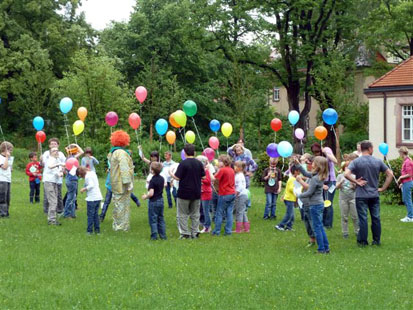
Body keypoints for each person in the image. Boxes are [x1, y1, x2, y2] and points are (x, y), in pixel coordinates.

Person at [345, 140, 393, 246]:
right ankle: (376, 240)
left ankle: (362, 241)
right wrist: (383, 188)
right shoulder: (378, 161)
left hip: (361, 195)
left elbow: (346, 174)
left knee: (363, 218)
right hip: (374, 194)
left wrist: (356, 182)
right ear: (370, 149)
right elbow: (390, 174)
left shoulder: (356, 162)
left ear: (361, 149)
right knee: (376, 217)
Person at [170, 144, 205, 239]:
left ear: (184, 153)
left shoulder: (183, 163)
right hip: (196, 191)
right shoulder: (199, 163)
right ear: (194, 152)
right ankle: (195, 232)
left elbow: (177, 177)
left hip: (184, 192)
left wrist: (171, 174)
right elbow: (204, 176)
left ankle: (185, 233)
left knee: (182, 214)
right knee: (195, 213)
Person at [297, 156, 330, 254]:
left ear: (317, 165)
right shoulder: (318, 175)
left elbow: (309, 193)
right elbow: (306, 173)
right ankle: (326, 247)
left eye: (314, 162)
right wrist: (297, 164)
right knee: (320, 226)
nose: (312, 163)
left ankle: (321, 249)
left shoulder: (315, 179)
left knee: (317, 228)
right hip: (319, 204)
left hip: (315, 205)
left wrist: (299, 195)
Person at [99, 153, 140, 222]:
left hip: (119, 186)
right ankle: (102, 216)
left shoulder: (120, 168)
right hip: (111, 186)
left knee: (122, 199)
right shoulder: (112, 167)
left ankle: (119, 218)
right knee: (107, 201)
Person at [110, 130, 134, 231]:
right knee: (122, 205)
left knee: (118, 204)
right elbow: (124, 168)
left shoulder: (114, 152)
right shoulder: (122, 153)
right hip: (122, 184)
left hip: (116, 182)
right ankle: (121, 226)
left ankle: (119, 225)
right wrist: (128, 182)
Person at [311, 143, 337, 229]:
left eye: (317, 151)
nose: (316, 154)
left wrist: (326, 153)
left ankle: (328, 224)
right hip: (321, 181)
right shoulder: (316, 158)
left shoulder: (327, 150)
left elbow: (335, 161)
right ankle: (321, 222)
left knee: (328, 202)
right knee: (321, 202)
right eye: (314, 152)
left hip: (330, 181)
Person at [142, 162, 167, 240]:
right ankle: (163, 236)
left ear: (152, 170)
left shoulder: (152, 180)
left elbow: (151, 193)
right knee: (161, 218)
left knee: (153, 219)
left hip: (153, 201)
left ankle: (154, 236)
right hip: (161, 200)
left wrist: (145, 197)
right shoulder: (162, 178)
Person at [212, 155, 236, 236]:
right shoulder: (231, 170)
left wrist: (208, 170)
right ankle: (228, 231)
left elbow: (214, 178)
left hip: (224, 194)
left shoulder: (223, 170)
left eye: (219, 161)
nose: (218, 162)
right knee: (229, 213)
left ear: (223, 162)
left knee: (219, 213)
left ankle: (216, 231)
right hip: (232, 193)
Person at [41, 138, 66, 215]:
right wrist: (41, 160)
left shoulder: (61, 154)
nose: (53, 145)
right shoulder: (46, 154)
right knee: (47, 195)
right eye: (52, 144)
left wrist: (62, 171)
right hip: (48, 178)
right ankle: (46, 210)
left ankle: (59, 210)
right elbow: (46, 165)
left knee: (58, 195)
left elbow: (64, 164)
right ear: (49, 145)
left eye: (55, 144)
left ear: (58, 145)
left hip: (58, 178)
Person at [336, 157, 359, 238]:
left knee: (355, 216)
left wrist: (354, 185)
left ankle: (357, 231)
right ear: (343, 168)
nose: (347, 168)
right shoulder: (340, 176)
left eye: (349, 167)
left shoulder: (354, 176)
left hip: (353, 198)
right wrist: (340, 183)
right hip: (343, 199)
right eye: (346, 166)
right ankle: (345, 232)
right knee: (344, 216)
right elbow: (336, 187)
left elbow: (357, 187)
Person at [77, 166, 102, 235]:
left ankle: (89, 231)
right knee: (96, 215)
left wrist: (84, 189)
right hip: (98, 197)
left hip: (92, 198)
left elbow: (91, 185)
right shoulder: (92, 173)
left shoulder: (87, 177)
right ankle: (97, 231)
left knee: (90, 215)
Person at [43, 147, 65, 225]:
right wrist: (59, 164)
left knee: (54, 200)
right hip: (49, 182)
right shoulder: (50, 159)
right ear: (50, 153)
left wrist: (61, 172)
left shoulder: (56, 160)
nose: (56, 152)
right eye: (54, 151)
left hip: (54, 182)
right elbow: (50, 166)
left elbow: (56, 172)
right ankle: (51, 220)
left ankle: (52, 218)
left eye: (57, 150)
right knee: (53, 201)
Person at [275, 165, 300, 231]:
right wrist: (299, 189)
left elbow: (286, 189)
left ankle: (289, 227)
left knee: (292, 215)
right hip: (289, 199)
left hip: (290, 198)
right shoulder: (292, 179)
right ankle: (280, 225)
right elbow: (291, 188)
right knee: (289, 214)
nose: (300, 173)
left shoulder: (293, 179)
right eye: (299, 171)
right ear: (295, 172)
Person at [63, 144, 84, 219]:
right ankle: (66, 214)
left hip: (70, 179)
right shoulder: (72, 158)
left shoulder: (67, 159)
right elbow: (82, 152)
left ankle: (72, 214)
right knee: (70, 197)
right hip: (72, 180)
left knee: (73, 197)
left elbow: (64, 171)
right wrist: (76, 145)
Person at [197, 155, 214, 233]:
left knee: (206, 210)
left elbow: (208, 181)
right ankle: (205, 225)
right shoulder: (201, 171)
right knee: (203, 210)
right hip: (202, 192)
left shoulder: (205, 171)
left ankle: (207, 227)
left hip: (206, 193)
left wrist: (200, 178)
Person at [397, 146, 413, 222]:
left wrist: (400, 178)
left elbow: (410, 174)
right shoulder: (406, 161)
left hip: (408, 183)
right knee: (405, 199)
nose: (399, 155)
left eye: (399, 153)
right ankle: (409, 215)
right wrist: (402, 183)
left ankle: (410, 217)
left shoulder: (408, 161)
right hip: (405, 183)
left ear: (402, 153)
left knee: (407, 200)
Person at [234, 161, 249, 233]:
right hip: (244, 194)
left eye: (235, 166)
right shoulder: (240, 175)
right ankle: (246, 228)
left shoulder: (239, 176)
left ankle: (238, 229)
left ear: (240, 168)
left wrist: (236, 193)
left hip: (241, 195)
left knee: (239, 212)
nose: (234, 167)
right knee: (243, 212)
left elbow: (240, 187)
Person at [0, 142, 13, 218]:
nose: (11, 152)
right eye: (10, 150)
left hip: (7, 180)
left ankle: (6, 212)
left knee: (8, 197)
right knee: (2, 197)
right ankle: (2, 213)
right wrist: (7, 158)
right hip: (1, 180)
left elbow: (8, 168)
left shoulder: (7, 158)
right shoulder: (1, 157)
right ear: (5, 149)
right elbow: (4, 167)